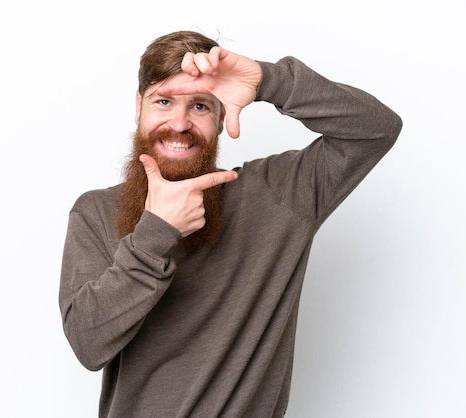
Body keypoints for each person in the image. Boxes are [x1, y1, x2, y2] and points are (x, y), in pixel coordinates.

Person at [59, 30, 402, 417]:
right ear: (139, 106)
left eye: (201, 107)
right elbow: (88, 346)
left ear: (223, 115)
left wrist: (268, 81)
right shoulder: (95, 212)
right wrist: (154, 233)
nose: (179, 122)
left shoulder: (281, 195)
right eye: (164, 101)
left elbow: (376, 129)